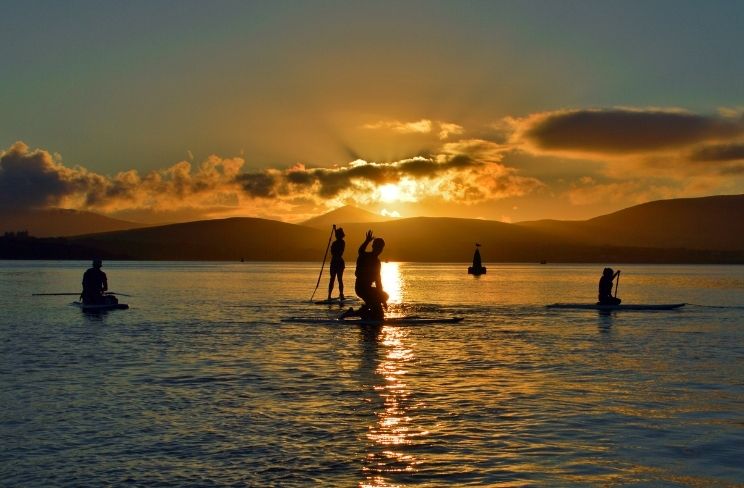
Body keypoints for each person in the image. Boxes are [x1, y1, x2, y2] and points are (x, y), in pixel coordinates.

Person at [341, 230, 388, 320]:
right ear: (373, 246)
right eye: (378, 247)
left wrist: (383, 300)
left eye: (381, 248)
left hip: (368, 289)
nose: (380, 250)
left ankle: (364, 311)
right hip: (361, 288)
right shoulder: (365, 256)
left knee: (385, 297)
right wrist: (367, 241)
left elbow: (378, 281)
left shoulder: (377, 262)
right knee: (379, 315)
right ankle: (358, 313)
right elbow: (360, 251)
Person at [328, 227, 346, 300]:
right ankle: (329, 295)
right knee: (332, 279)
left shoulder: (342, 242)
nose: (336, 236)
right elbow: (332, 252)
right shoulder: (334, 243)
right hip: (334, 262)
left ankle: (341, 294)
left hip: (338, 262)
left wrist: (335, 230)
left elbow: (338, 252)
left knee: (339, 279)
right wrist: (335, 230)